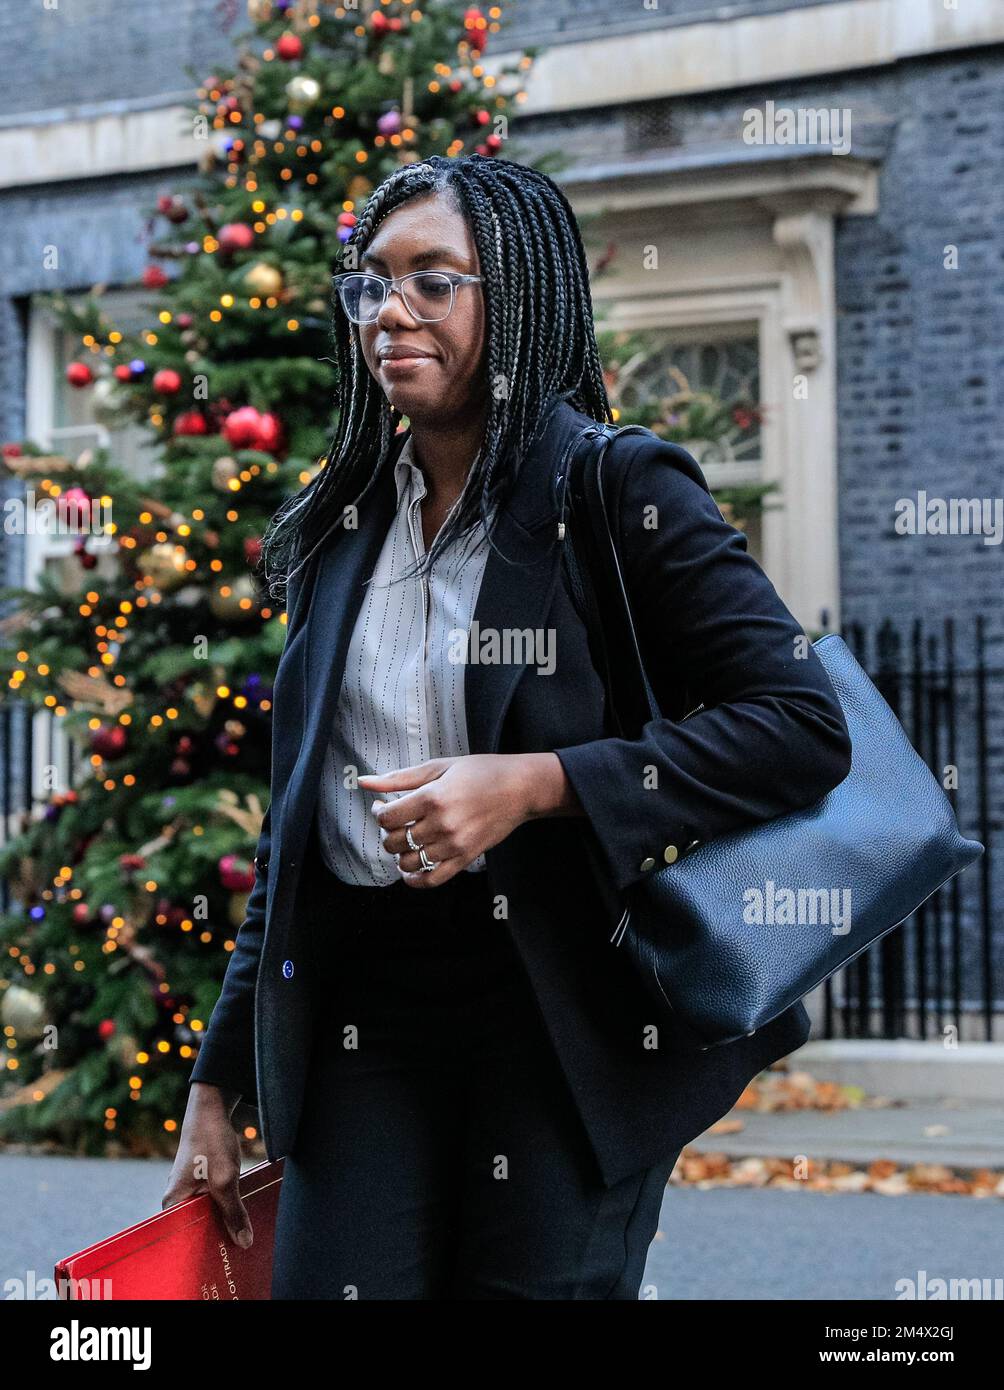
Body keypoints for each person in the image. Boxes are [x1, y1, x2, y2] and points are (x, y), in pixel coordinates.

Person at [163, 153, 852, 1299]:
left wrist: (539, 782)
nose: (391, 311)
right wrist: (214, 1081)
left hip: (561, 1017)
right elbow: (296, 840)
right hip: (360, 1023)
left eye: (435, 281)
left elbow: (795, 724)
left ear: (516, 296)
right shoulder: (341, 528)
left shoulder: (612, 487)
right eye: (372, 283)